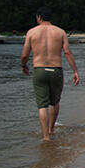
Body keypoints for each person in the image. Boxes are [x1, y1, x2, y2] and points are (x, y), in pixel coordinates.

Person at [20, 7, 80, 141]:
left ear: (39, 17)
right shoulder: (60, 32)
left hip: (39, 70)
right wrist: (75, 71)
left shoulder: (32, 32)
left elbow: (25, 54)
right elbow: (67, 52)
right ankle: (51, 129)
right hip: (56, 70)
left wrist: (23, 65)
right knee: (55, 102)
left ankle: (45, 137)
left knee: (42, 105)